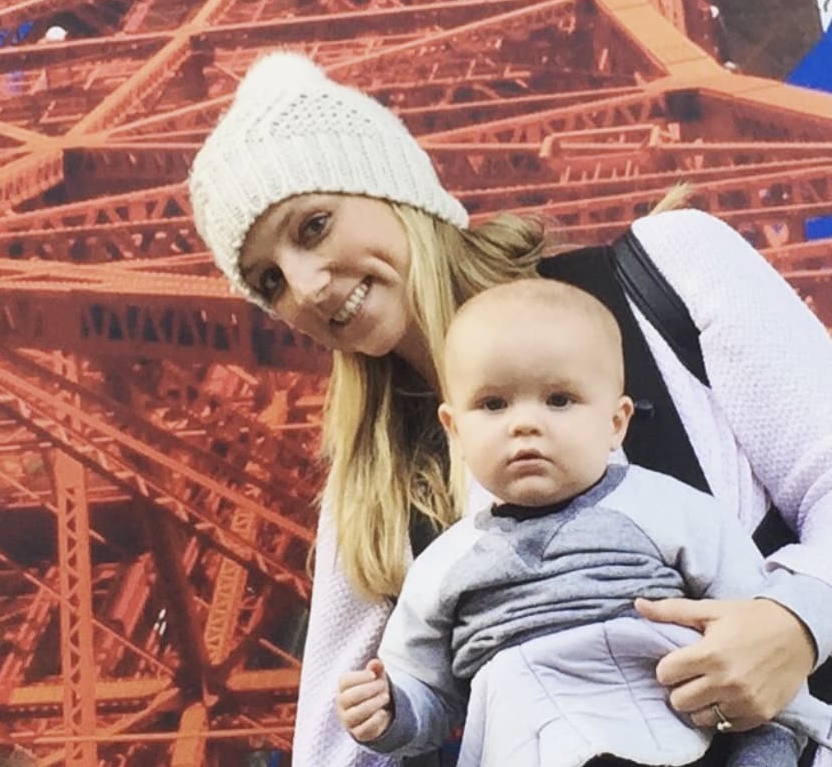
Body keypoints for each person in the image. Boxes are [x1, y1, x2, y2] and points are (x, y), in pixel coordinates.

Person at [187, 51, 832, 767]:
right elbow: (339, 751)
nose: (304, 288)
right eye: (268, 281)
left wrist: (796, 621)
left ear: (395, 189)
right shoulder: (370, 492)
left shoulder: (668, 275)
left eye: (313, 226)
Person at [334, 277, 831, 764]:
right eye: (492, 404)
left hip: (671, 717)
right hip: (524, 730)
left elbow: (749, 625)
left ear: (616, 423)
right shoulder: (441, 565)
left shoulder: (670, 508)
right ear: (456, 431)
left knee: (767, 729)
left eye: (559, 400)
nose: (524, 423)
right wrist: (391, 709)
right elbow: (429, 695)